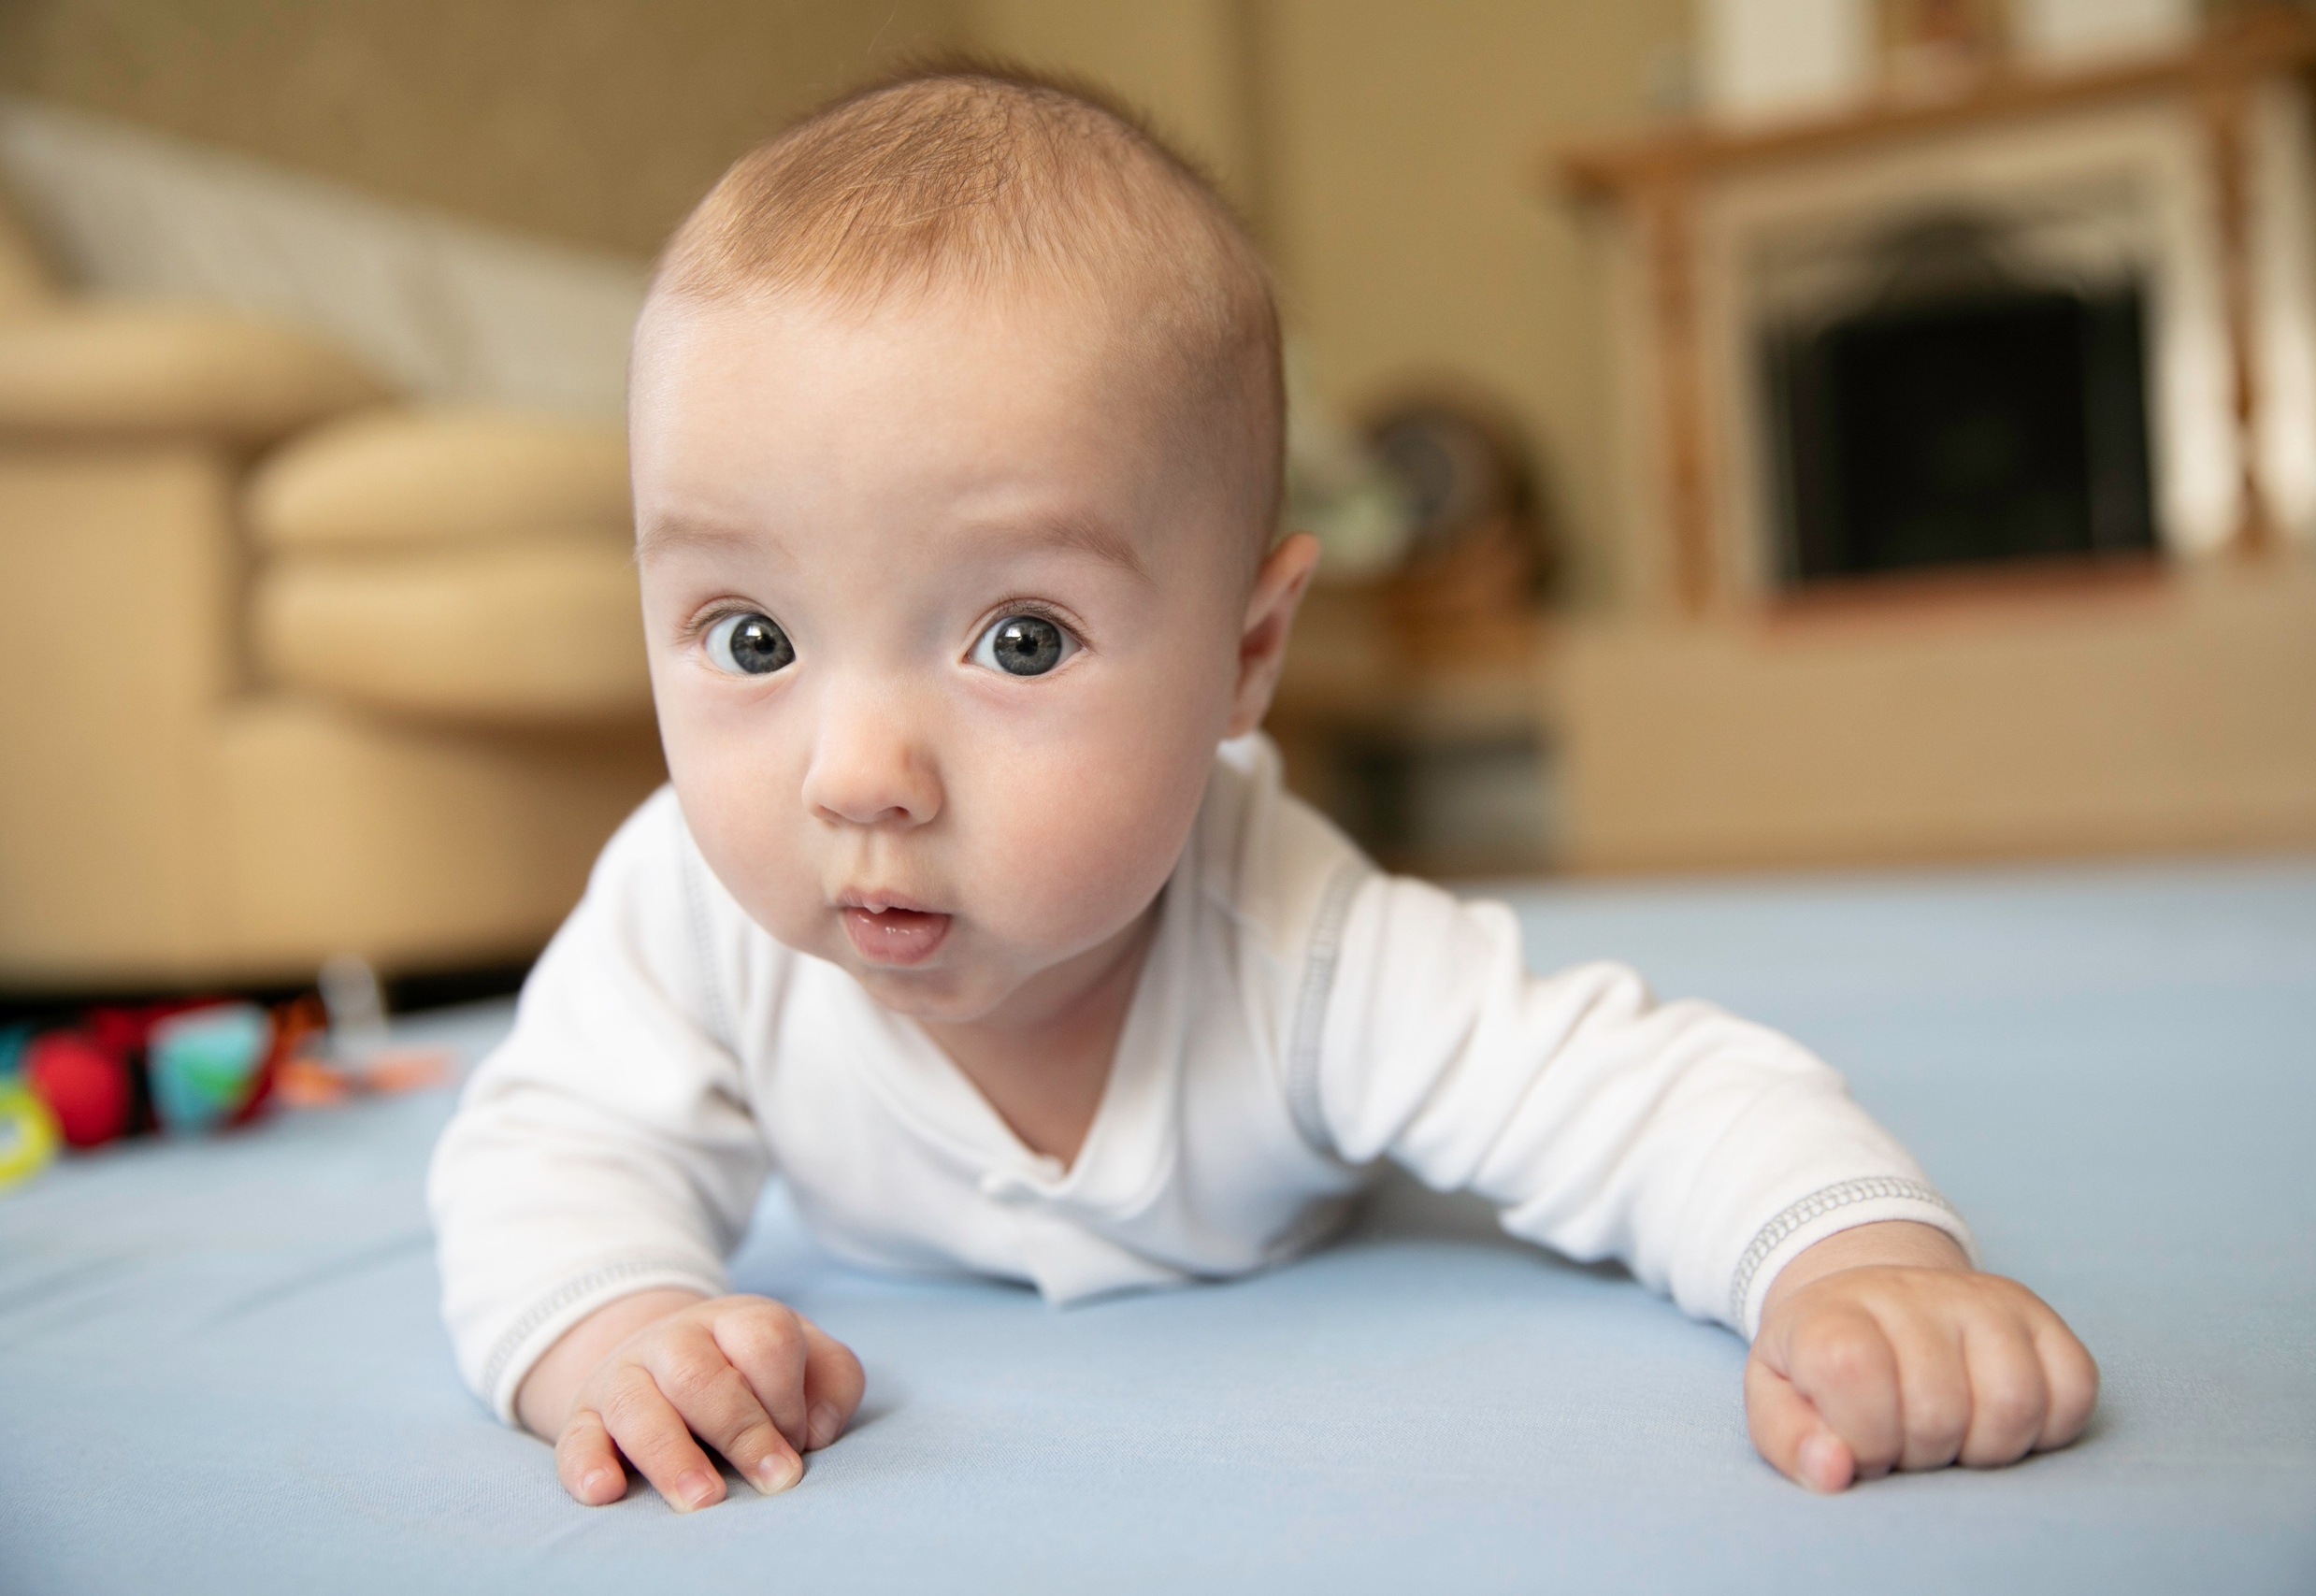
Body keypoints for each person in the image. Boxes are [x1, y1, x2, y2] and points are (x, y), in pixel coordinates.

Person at [426, 63, 2096, 1515]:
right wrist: (617, 1334)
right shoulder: (682, 911)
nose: (858, 775)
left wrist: (1859, 1268)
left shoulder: (1301, 951)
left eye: (1019, 640)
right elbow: (547, 1149)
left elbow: (1657, 1098)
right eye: (749, 634)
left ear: (1245, 654)